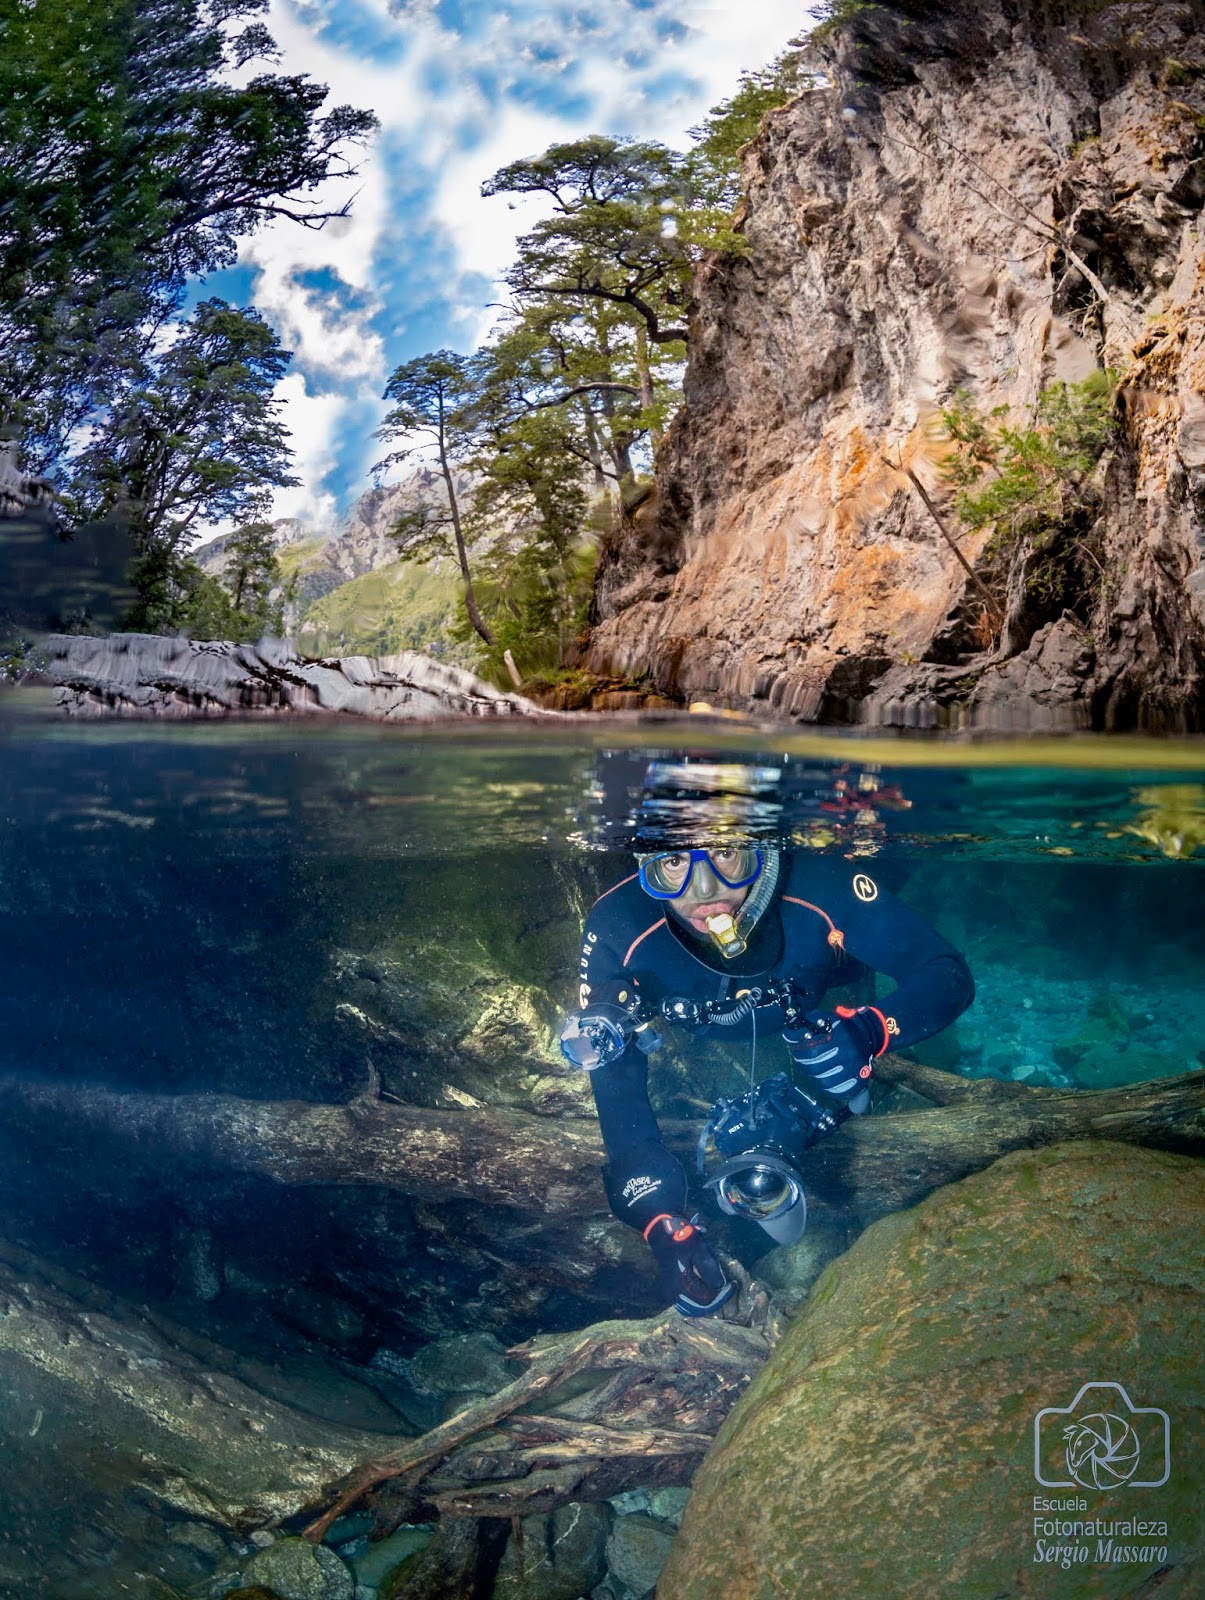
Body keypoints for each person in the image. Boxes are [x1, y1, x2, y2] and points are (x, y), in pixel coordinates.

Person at [560, 757, 974, 1318]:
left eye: (727, 852)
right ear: (645, 866)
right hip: (746, 1006)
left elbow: (944, 972)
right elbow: (615, 1082)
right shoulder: (619, 927)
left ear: (762, 843)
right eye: (674, 864)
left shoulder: (819, 885)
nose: (706, 893)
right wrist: (660, 1222)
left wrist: (873, 1029)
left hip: (828, 973)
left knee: (890, 854)